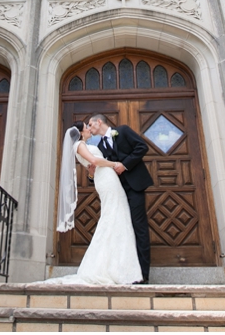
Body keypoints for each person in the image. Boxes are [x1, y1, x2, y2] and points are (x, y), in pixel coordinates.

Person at [50, 121, 143, 285]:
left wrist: (94, 172)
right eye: (86, 127)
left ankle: (117, 266)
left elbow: (91, 169)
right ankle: (113, 269)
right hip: (107, 179)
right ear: (80, 132)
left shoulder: (82, 145)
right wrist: (115, 164)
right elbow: (94, 160)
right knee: (114, 215)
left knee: (116, 216)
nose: (89, 129)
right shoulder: (79, 145)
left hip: (106, 178)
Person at [87, 114, 153, 284]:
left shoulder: (122, 131)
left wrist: (125, 165)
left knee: (139, 227)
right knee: (124, 229)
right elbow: (104, 167)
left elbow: (142, 147)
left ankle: (143, 275)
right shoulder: (100, 145)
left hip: (135, 186)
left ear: (99, 122)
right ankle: (127, 272)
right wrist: (92, 175)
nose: (89, 128)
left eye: (90, 124)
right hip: (118, 191)